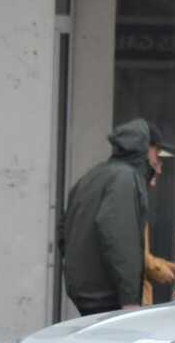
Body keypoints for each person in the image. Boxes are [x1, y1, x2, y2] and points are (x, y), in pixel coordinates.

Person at [60, 118, 165, 317]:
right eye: (157, 155)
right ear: (146, 148)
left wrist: (82, 269)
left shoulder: (91, 177)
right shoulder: (126, 178)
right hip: (110, 300)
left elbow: (63, 232)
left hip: (85, 295)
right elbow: (120, 239)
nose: (158, 166)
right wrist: (130, 300)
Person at [141, 123, 175, 306]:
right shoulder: (133, 199)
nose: (159, 170)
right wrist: (162, 271)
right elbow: (138, 255)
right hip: (135, 301)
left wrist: (170, 268)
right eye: (156, 163)